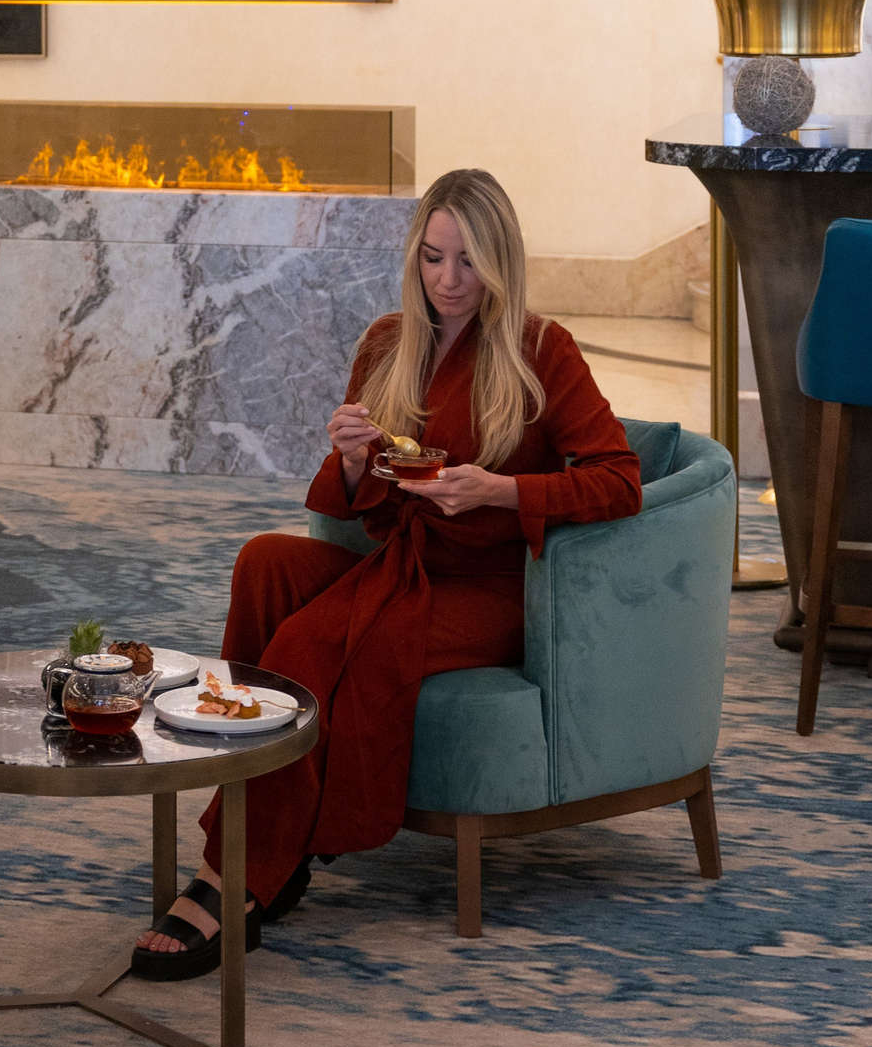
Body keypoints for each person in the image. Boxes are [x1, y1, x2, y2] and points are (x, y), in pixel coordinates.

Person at [132, 168, 643, 981]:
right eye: (434, 259)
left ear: (500, 264)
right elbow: (355, 503)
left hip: (491, 588)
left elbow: (620, 479)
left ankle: (233, 874)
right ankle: (281, 840)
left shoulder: (541, 348)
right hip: (402, 560)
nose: (448, 282)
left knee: (310, 639)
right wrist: (351, 457)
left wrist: (501, 491)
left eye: (469, 263)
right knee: (264, 565)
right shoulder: (386, 342)